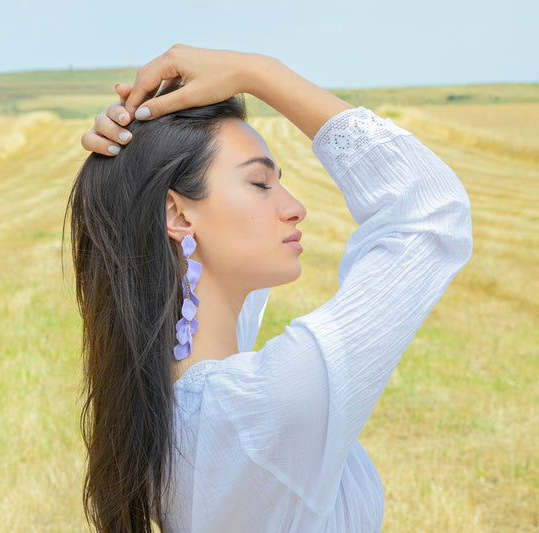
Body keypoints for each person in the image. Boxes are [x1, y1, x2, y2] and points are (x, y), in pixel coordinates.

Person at [68, 45, 472, 532]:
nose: (295, 206)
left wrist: (128, 159)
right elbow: (430, 210)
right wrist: (257, 72)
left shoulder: (165, 399)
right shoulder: (258, 406)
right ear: (177, 214)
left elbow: (216, 299)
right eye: (260, 183)